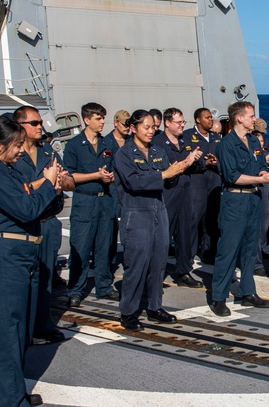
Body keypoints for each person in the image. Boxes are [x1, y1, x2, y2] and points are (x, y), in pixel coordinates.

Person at [0, 115, 61, 407]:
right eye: (16, 146)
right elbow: (25, 207)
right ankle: (9, 406)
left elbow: (28, 197)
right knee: (10, 333)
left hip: (20, 253)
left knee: (21, 331)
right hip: (6, 256)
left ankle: (16, 392)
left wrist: (48, 185)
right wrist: (49, 184)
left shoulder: (4, 170)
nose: (20, 151)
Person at [113, 109, 197, 331]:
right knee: (136, 264)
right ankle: (128, 311)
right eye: (146, 127)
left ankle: (154, 306)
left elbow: (167, 178)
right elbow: (134, 182)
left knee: (158, 262)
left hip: (159, 209)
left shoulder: (158, 150)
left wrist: (178, 170)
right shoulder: (124, 155)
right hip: (137, 211)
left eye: (153, 128)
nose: (151, 131)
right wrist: (166, 174)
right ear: (133, 128)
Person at [210, 101, 269, 317]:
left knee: (251, 249)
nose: (254, 119)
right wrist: (260, 180)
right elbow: (232, 176)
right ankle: (218, 297)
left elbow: (259, 164)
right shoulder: (226, 145)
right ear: (239, 118)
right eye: (251, 116)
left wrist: (264, 173)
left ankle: (248, 291)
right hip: (235, 201)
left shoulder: (253, 141)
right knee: (228, 251)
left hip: (253, 200)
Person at [12, 105, 72, 342]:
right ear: (20, 126)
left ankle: (42, 324)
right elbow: (16, 190)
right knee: (22, 280)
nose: (40, 127)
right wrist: (46, 182)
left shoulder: (48, 152)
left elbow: (67, 181)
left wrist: (63, 180)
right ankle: (22, 329)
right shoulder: (12, 154)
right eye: (34, 123)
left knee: (45, 278)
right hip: (24, 223)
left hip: (47, 221)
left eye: (40, 123)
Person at [63, 102, 119, 307]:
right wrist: (96, 175)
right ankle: (76, 289)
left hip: (105, 200)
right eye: (98, 118)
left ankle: (104, 286)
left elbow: (116, 169)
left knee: (104, 246)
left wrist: (111, 177)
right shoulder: (74, 145)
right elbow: (68, 176)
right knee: (81, 246)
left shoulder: (108, 144)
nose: (102, 121)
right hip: (84, 200)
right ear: (86, 120)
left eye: (103, 117)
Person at [155, 107, 200, 287]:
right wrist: (188, 161)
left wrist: (196, 160)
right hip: (168, 191)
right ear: (168, 123)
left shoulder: (185, 140)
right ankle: (156, 273)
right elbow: (167, 168)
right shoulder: (158, 143)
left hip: (185, 190)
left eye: (183, 122)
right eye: (178, 122)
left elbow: (196, 164)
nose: (182, 125)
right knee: (163, 235)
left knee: (185, 232)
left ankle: (183, 271)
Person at [182, 107, 221, 264]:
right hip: (197, 181)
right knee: (194, 219)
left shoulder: (216, 137)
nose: (210, 120)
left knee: (213, 219)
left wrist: (216, 162)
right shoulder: (187, 137)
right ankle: (189, 256)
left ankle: (209, 252)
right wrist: (204, 162)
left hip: (214, 181)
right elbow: (186, 161)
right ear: (198, 120)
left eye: (211, 117)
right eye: (207, 117)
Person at [103, 109, 131, 276]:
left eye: (129, 124)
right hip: (112, 190)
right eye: (124, 124)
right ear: (115, 123)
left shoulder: (131, 142)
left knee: (129, 229)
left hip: (127, 190)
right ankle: (109, 263)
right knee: (110, 230)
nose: (127, 127)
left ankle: (129, 262)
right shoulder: (106, 142)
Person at [251, 118, 269, 277]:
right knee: (255, 226)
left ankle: (259, 252)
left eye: (261, 140)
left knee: (264, 225)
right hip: (253, 189)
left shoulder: (263, 152)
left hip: (263, 190)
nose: (260, 143)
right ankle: (256, 263)